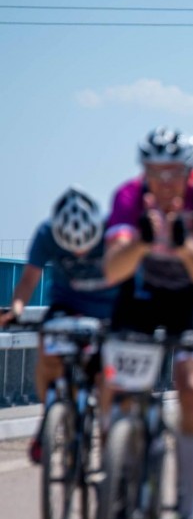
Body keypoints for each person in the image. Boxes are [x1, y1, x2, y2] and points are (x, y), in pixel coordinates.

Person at [103, 126, 193, 519]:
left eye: (173, 172)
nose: (163, 182)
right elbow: (113, 270)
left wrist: (185, 243)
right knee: (115, 383)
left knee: (191, 385)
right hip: (142, 294)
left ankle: (187, 515)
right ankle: (120, 468)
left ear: (189, 172)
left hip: (192, 298)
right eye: (154, 172)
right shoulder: (129, 196)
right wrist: (141, 240)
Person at [0, 188, 118, 463]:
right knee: (47, 347)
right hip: (68, 305)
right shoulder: (46, 233)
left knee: (105, 377)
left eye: (86, 247)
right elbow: (28, 279)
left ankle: (109, 442)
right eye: (71, 248)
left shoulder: (114, 232)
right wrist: (16, 309)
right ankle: (49, 415)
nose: (80, 252)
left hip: (108, 309)